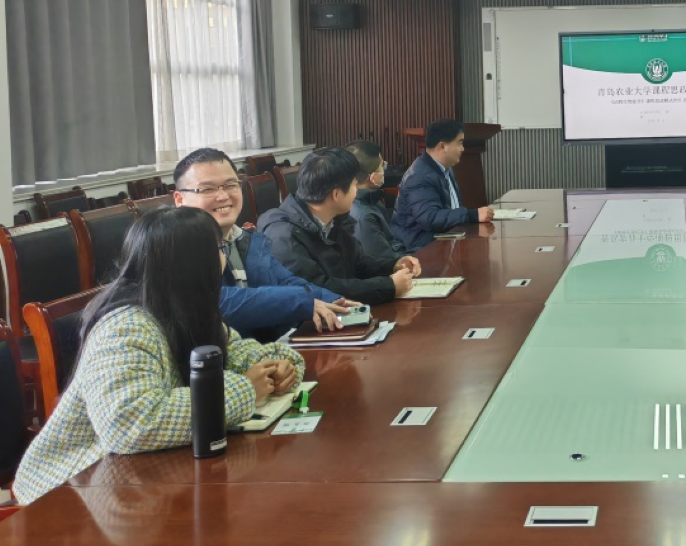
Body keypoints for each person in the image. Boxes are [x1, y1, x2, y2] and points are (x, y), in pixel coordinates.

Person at [13, 207, 304, 504]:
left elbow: (239, 353)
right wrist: (245, 389)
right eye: (218, 249)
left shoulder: (188, 309)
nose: (224, 257)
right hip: (73, 491)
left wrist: (281, 365)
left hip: (140, 480)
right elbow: (129, 423)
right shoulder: (125, 326)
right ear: (192, 262)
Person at [172, 148, 352, 340]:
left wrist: (335, 302)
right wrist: (303, 302)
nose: (223, 196)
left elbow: (285, 280)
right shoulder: (172, 247)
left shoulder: (248, 239)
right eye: (208, 189)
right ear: (179, 199)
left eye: (230, 185)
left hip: (270, 349)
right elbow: (215, 302)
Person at [258, 148, 422, 304]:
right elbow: (318, 289)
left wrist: (393, 265)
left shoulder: (334, 218)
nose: (356, 192)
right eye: (354, 185)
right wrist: (388, 286)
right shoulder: (283, 234)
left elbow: (358, 263)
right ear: (336, 194)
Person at [393, 119, 495, 250]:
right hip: (420, 248)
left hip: (443, 239)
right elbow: (430, 218)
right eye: (459, 143)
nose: (463, 149)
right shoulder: (420, 176)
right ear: (442, 146)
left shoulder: (445, 169)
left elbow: (453, 208)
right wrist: (472, 215)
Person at [345, 139, 409, 260]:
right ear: (373, 177)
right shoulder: (363, 217)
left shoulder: (371, 199)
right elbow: (383, 260)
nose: (384, 169)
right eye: (382, 166)